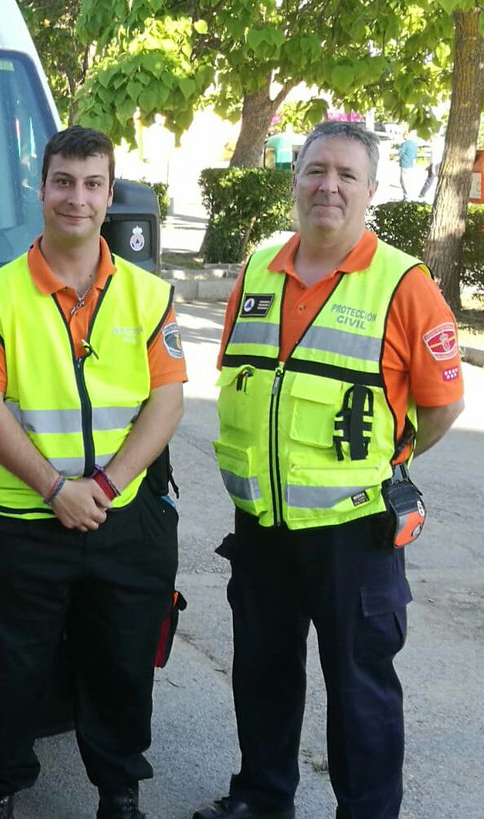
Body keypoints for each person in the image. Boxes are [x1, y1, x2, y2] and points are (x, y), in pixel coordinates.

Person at [194, 121, 465, 819]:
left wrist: (386, 464)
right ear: (295, 181)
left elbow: (439, 407)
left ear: (372, 190)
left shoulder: (403, 283)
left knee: (359, 690)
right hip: (262, 527)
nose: (329, 186)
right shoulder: (257, 271)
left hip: (355, 532)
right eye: (316, 170)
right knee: (262, 675)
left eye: (347, 174)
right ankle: (262, 797)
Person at [0, 125, 187, 819]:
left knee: (121, 666)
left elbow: (168, 400)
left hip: (124, 519)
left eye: (92, 184)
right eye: (63, 182)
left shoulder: (150, 295)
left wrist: (106, 488)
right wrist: (58, 490)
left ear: (111, 194)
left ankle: (119, 795)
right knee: (5, 673)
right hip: (22, 520)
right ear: (42, 189)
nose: (76, 198)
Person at [398, 131, 418, 200]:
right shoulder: (414, 144)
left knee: (403, 180)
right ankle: (406, 195)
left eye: (404, 136)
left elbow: (401, 153)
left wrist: (397, 158)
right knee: (408, 180)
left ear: (406, 136)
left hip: (404, 163)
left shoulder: (405, 144)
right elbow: (415, 155)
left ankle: (406, 195)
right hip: (411, 164)